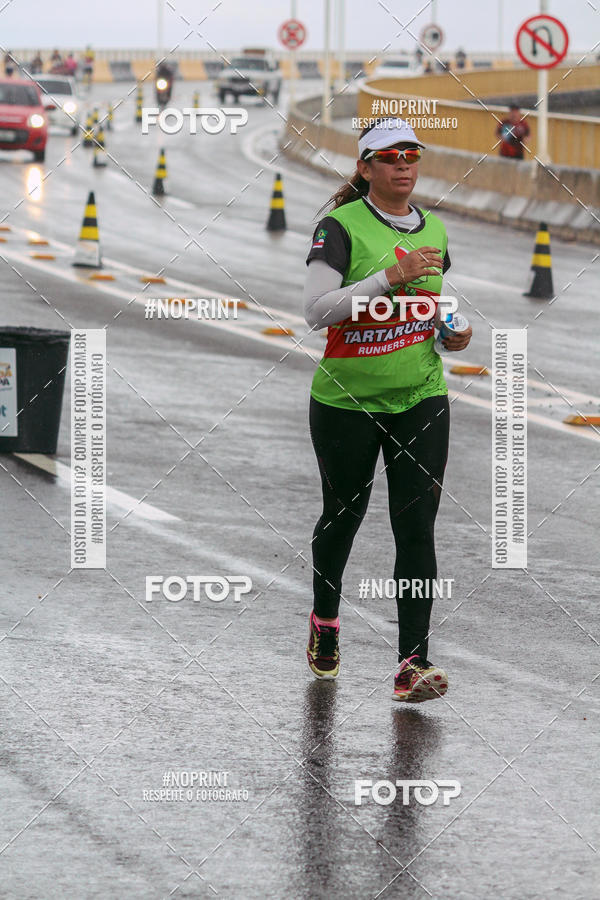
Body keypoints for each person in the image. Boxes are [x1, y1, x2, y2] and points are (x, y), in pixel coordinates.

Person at [303, 117, 472, 703]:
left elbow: (432, 305)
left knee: (417, 525)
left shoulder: (436, 229)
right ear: (366, 167)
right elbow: (317, 311)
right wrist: (389, 276)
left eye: (411, 154)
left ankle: (412, 663)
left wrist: (453, 331)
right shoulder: (340, 227)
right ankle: (326, 619)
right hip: (346, 400)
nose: (404, 164)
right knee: (343, 515)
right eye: (390, 155)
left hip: (420, 395)